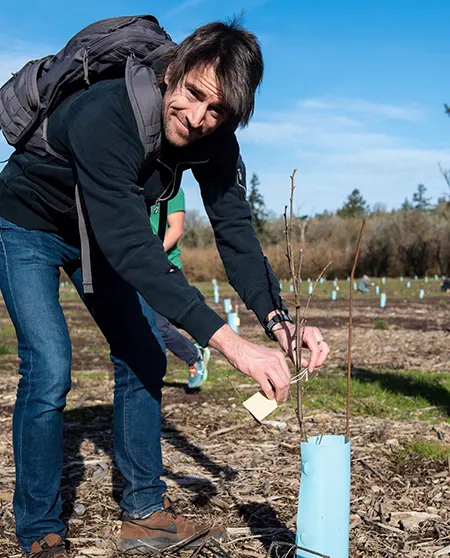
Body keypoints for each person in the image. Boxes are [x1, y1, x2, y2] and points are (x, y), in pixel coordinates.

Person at [0, 17, 330, 557]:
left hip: (99, 232)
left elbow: (236, 234)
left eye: (218, 110)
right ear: (172, 72)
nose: (198, 118)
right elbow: (136, 251)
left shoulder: (214, 139)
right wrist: (232, 344)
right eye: (193, 95)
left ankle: (145, 516)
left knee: (146, 356)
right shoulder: (107, 113)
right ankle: (39, 531)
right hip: (27, 223)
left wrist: (279, 323)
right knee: (50, 365)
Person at [150, 187, 210, 389]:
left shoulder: (171, 190)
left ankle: (194, 355)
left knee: (159, 326)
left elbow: (175, 229)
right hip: (135, 269)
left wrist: (149, 256)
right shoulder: (133, 185)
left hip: (164, 267)